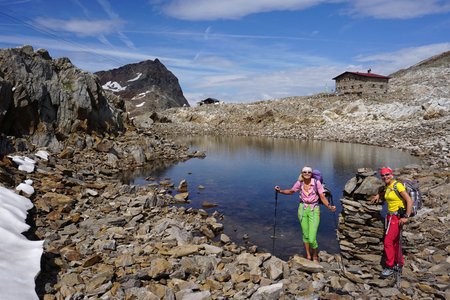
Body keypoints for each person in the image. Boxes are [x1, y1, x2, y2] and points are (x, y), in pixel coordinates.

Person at [274, 165, 336, 262]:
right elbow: (291, 191)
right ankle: (308, 255)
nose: (307, 173)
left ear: (311, 174)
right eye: (304, 172)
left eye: (309, 172)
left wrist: (329, 206)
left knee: (312, 237)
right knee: (305, 234)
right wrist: (280, 191)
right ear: (302, 174)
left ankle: (315, 254)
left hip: (314, 209)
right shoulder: (300, 183)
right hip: (302, 209)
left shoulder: (317, 183)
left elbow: (322, 197)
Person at [370, 167, 413, 278]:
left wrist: (406, 217)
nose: (385, 177)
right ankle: (399, 263)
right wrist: (379, 196)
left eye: (387, 174)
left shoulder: (397, 185)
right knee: (395, 241)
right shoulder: (388, 186)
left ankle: (389, 267)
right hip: (390, 216)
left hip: (396, 217)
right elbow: (385, 192)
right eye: (383, 175)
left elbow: (409, 200)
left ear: (392, 174)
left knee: (388, 241)